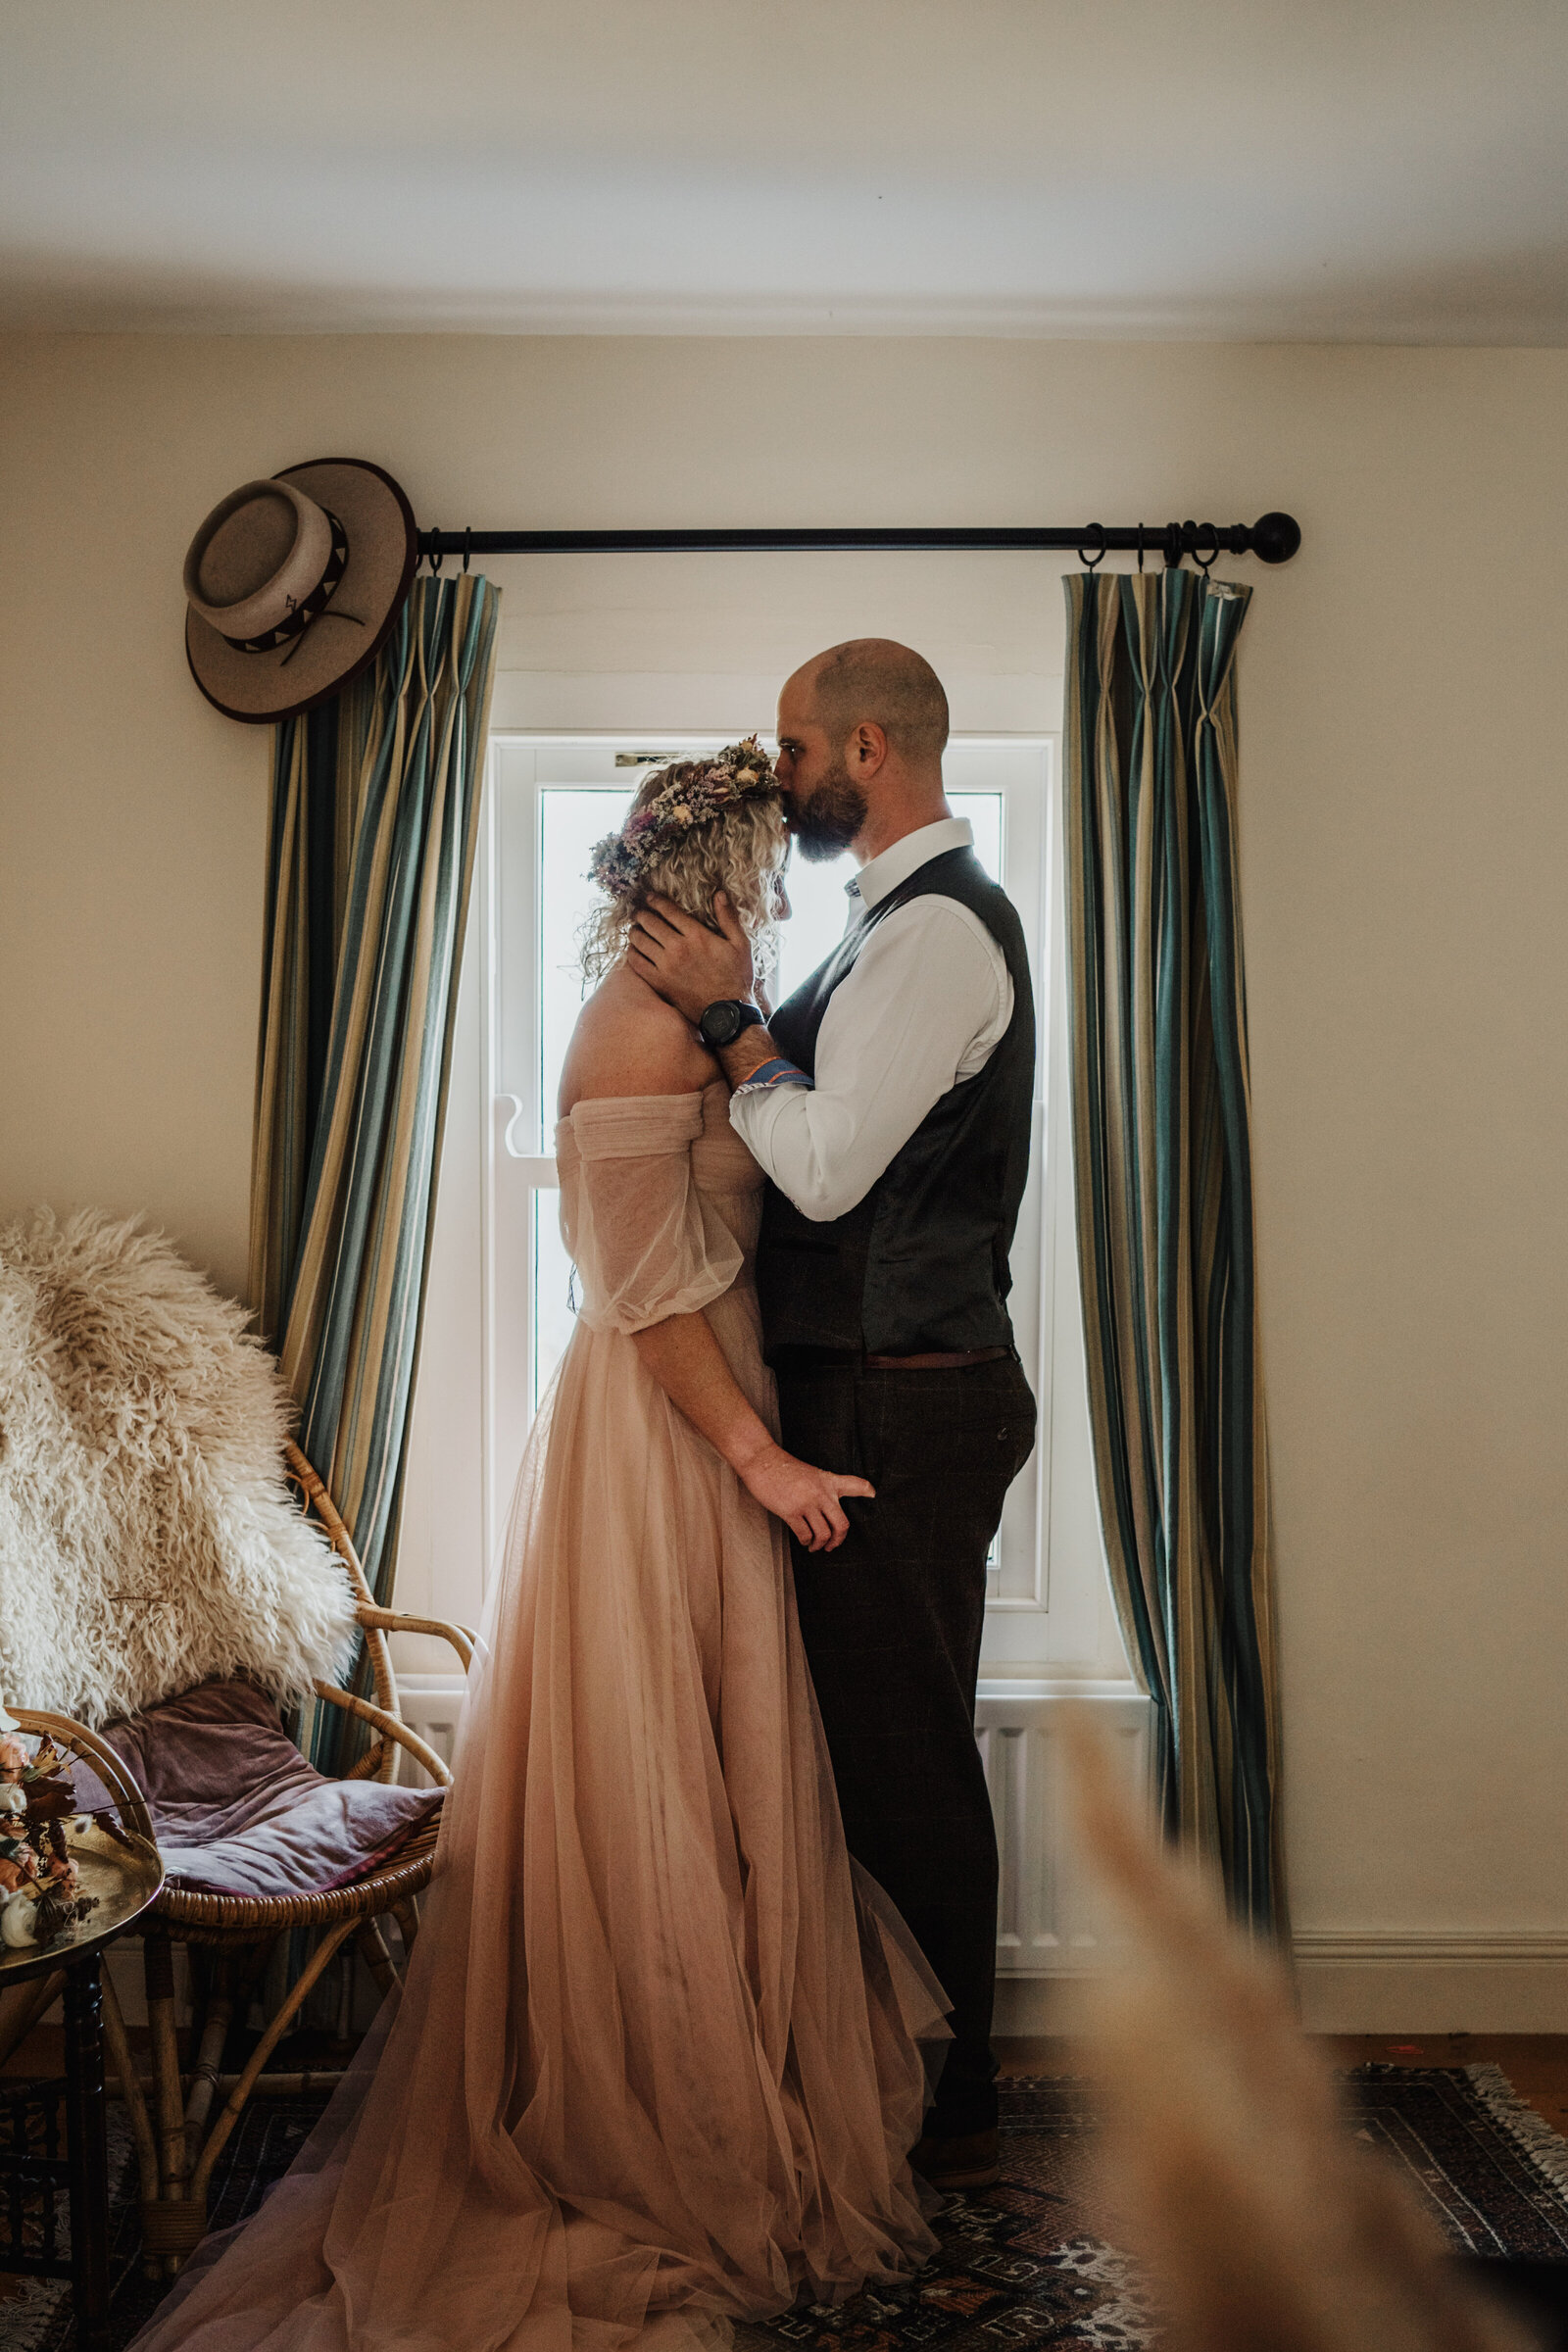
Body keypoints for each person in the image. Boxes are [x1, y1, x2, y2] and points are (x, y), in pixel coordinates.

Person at [126, 740, 948, 2352]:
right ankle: (660, 2117)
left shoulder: (716, 1021)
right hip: (669, 1441)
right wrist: (763, 1456)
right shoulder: (622, 1041)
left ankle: (727, 2086)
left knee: (725, 1778)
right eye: (760, 878)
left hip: (713, 1417)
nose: (775, 903)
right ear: (698, 887)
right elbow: (642, 1302)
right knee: (661, 1780)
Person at [629, 642, 1038, 2191]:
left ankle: (950, 2098)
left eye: (797, 744)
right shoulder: (889, 930)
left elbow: (822, 1168)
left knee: (903, 1758)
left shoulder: (935, 937)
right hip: (875, 1390)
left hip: (904, 1404)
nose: (780, 767)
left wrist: (731, 1021)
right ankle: (899, 2065)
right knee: (875, 1750)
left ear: (869, 746)